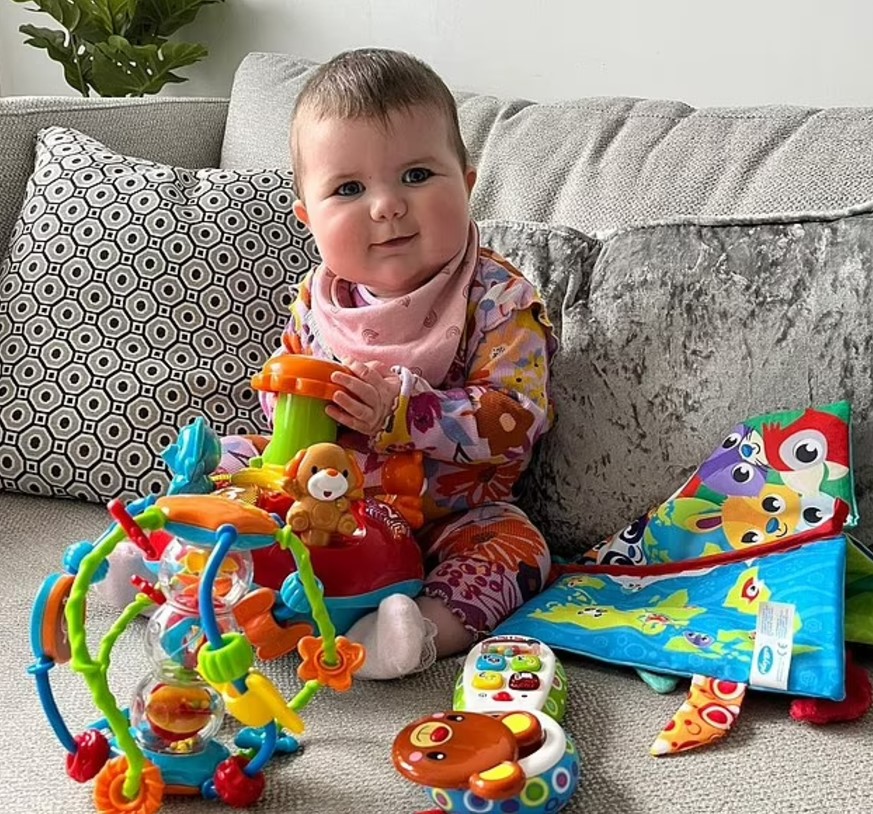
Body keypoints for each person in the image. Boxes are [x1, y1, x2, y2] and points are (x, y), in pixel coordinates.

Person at [220, 47, 558, 679]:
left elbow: (518, 418)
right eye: (349, 189)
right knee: (232, 461)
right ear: (309, 220)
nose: (386, 205)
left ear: (467, 182)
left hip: (447, 520)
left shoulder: (500, 299)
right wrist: (291, 400)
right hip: (325, 513)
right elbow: (284, 393)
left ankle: (408, 633)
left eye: (417, 175)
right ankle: (186, 574)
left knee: (519, 548)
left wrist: (403, 409)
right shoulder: (320, 300)